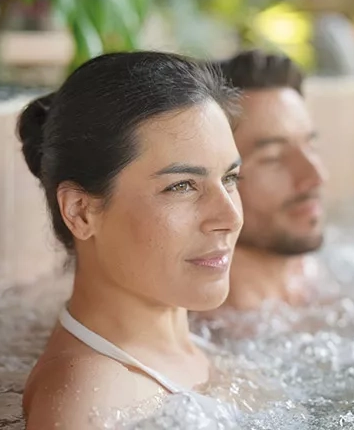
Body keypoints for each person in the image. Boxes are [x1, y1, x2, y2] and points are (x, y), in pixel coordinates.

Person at [19, 52, 244, 428]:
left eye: (230, 179)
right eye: (182, 186)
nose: (231, 217)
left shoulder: (186, 351)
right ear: (80, 212)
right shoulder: (90, 402)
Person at [213, 50, 329, 312]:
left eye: (310, 146)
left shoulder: (311, 277)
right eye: (273, 158)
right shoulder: (211, 334)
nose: (316, 177)